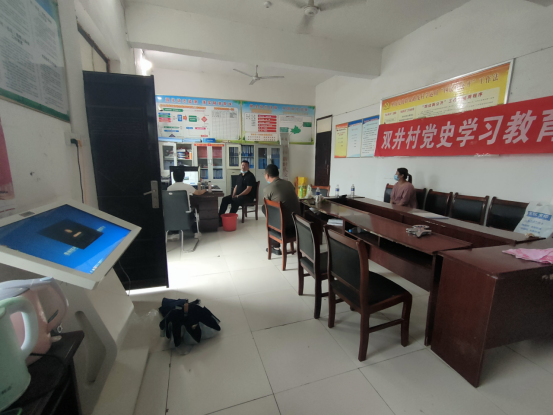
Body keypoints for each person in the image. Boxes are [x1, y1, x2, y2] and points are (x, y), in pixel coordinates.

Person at [262, 164, 300, 255]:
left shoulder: (268, 188)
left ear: (267, 175)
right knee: (276, 211)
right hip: (297, 223)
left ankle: (275, 246)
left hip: (284, 226)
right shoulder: (289, 184)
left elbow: (268, 208)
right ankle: (277, 244)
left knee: (265, 209)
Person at [219, 160, 256, 225]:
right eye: (242, 165)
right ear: (240, 166)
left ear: (248, 167)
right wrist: (233, 194)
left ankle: (230, 219)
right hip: (238, 196)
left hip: (247, 196)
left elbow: (248, 189)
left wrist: (238, 195)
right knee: (225, 199)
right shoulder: (239, 176)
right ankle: (219, 219)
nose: (243, 167)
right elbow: (236, 186)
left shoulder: (250, 176)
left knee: (235, 200)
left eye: (245, 165)